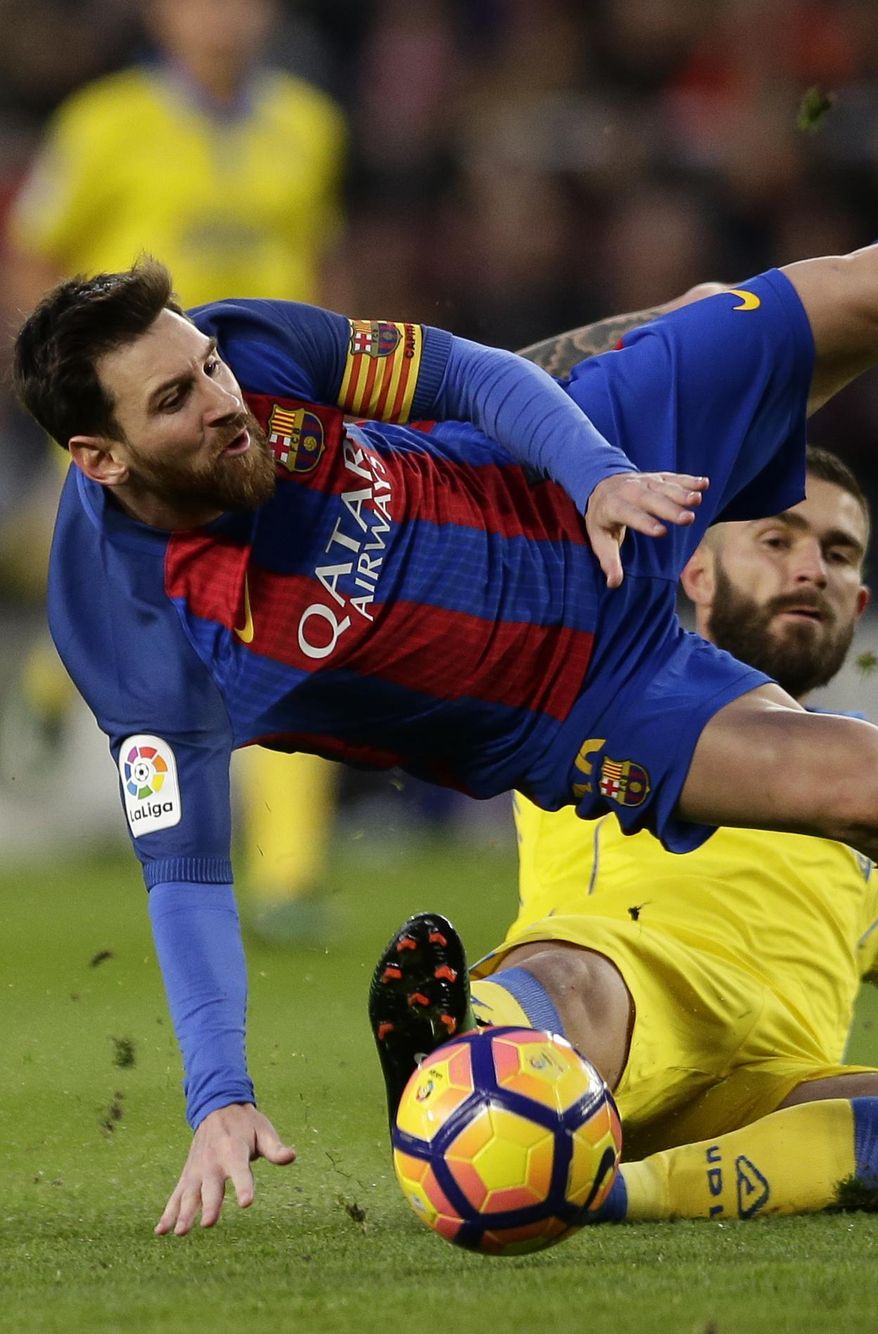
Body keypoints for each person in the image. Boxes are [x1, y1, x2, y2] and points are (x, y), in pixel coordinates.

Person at [13, 242, 878, 1236]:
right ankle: (479, 1039)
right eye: (176, 397)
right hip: (587, 699)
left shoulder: (254, 344)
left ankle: (486, 1034)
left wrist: (594, 471)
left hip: (586, 464)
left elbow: (464, 369)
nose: (222, 398)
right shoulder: (130, 633)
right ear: (100, 457)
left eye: (207, 362)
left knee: (852, 288)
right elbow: (186, 869)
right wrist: (219, 1093)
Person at [371, 442, 878, 1223]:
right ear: (697, 574)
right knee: (579, 976)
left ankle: (618, 1192)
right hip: (626, 1013)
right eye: (778, 540)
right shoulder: (618, 689)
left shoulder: (863, 773)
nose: (811, 568)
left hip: (776, 1093)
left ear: (861, 601)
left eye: (838, 554)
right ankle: (468, 1041)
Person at [3, 0, 347, 944]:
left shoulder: (309, 126)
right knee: (120, 601)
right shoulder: (102, 124)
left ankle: (288, 876)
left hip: (253, 407)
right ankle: (48, 685)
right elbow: (30, 250)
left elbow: (318, 261)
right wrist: (66, 392)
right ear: (160, 15)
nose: (224, 18)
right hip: (132, 423)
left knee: (290, 599)